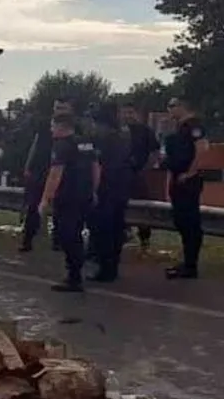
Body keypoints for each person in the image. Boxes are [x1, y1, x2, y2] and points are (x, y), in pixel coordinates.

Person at [40, 114, 95, 292]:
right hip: (84, 195)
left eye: (52, 126)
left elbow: (56, 173)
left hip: (67, 197)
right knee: (76, 234)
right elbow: (96, 167)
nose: (51, 130)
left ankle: (74, 276)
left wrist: (45, 199)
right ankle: (76, 272)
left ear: (61, 127)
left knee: (67, 236)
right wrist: (93, 189)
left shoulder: (61, 146)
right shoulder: (85, 143)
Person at [21, 96, 74, 252]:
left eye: (63, 108)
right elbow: (35, 144)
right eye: (57, 108)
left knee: (61, 208)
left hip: (64, 171)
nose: (59, 111)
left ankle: (58, 241)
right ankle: (27, 239)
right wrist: (28, 165)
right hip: (41, 168)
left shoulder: (75, 128)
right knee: (33, 206)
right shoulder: (45, 124)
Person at [163, 96, 208, 280]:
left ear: (183, 106)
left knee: (190, 222)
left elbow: (202, 149)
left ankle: (191, 265)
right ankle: (186, 262)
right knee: (181, 221)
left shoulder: (194, 126)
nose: (169, 110)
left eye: (172, 106)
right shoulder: (179, 128)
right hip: (177, 179)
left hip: (188, 181)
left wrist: (190, 173)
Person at [89, 104, 131, 282]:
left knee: (104, 230)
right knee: (115, 229)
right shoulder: (123, 137)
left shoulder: (105, 140)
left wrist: (94, 190)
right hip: (121, 189)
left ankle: (106, 269)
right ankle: (111, 267)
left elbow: (99, 166)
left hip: (107, 190)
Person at [120, 102, 161, 250]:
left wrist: (146, 168)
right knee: (120, 205)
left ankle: (144, 239)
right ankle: (123, 234)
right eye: (125, 112)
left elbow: (155, 151)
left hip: (139, 174)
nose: (127, 116)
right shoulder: (118, 131)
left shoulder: (145, 131)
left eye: (131, 112)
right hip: (120, 175)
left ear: (136, 113)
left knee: (142, 207)